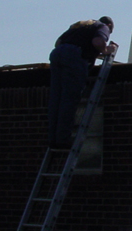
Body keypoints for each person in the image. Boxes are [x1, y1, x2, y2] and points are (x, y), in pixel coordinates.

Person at [48, 16, 118, 149]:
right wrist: (106, 50)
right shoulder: (102, 26)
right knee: (69, 99)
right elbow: (98, 41)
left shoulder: (80, 25)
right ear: (109, 25)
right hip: (74, 56)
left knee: (56, 99)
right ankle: (62, 139)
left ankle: (53, 139)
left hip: (57, 55)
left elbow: (58, 43)